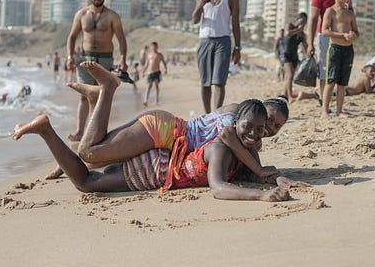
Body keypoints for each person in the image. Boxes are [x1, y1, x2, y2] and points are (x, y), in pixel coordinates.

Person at [13, 98, 303, 201]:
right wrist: (263, 193)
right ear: (238, 120)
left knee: (93, 160)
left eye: (270, 127)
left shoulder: (242, 143)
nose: (261, 132)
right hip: (162, 158)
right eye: (256, 125)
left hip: (167, 151)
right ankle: (100, 94)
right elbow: (220, 186)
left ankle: (56, 141)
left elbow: (259, 170)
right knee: (89, 172)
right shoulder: (224, 142)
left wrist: (276, 178)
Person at [43, 61, 290, 180]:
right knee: (91, 152)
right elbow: (225, 137)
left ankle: (68, 156)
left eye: (276, 126)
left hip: (168, 143)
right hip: (166, 130)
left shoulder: (250, 138)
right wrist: (258, 169)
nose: (269, 128)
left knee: (102, 154)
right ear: (258, 106)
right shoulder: (239, 116)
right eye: (268, 119)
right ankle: (106, 89)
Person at [66, 0, 133, 142]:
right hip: (84, 59)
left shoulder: (112, 16)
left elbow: (122, 40)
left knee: (101, 97)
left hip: (105, 60)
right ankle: (80, 132)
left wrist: (123, 59)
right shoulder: (81, 14)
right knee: (84, 96)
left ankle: (96, 134)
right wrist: (69, 56)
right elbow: (72, 36)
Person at [192, 0, 241, 113]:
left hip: (223, 41)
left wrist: (238, 47)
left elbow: (235, 23)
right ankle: (207, 116)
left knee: (219, 82)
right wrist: (200, 5)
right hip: (204, 40)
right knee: (205, 83)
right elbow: (194, 20)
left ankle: (216, 114)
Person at [307, 0, 349, 106]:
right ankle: (325, 104)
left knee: (340, 70)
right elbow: (312, 21)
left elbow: (351, 14)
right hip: (324, 37)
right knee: (325, 70)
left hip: (343, 38)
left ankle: (332, 102)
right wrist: (310, 43)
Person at [321, 0, 358, 118]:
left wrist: (353, 35)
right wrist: (343, 35)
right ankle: (324, 111)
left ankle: (339, 110)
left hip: (348, 50)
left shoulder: (350, 13)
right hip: (335, 49)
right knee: (331, 81)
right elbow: (325, 31)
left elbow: (356, 31)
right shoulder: (330, 11)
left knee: (342, 83)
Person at [280, 13, 308, 102]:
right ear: (297, 19)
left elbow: (305, 46)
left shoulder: (301, 34)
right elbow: (287, 33)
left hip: (294, 56)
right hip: (285, 55)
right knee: (289, 75)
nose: (303, 24)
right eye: (302, 21)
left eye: (305, 23)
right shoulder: (290, 26)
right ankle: (290, 96)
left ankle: (284, 95)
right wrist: (298, 29)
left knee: (290, 77)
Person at [141, 42, 167, 107]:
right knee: (149, 86)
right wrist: (143, 72)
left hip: (157, 72)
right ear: (151, 47)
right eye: (153, 46)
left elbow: (164, 62)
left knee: (156, 85)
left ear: (157, 47)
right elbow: (146, 64)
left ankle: (156, 100)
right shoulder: (149, 55)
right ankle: (145, 101)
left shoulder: (159, 55)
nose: (154, 48)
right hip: (150, 72)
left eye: (155, 46)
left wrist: (166, 69)